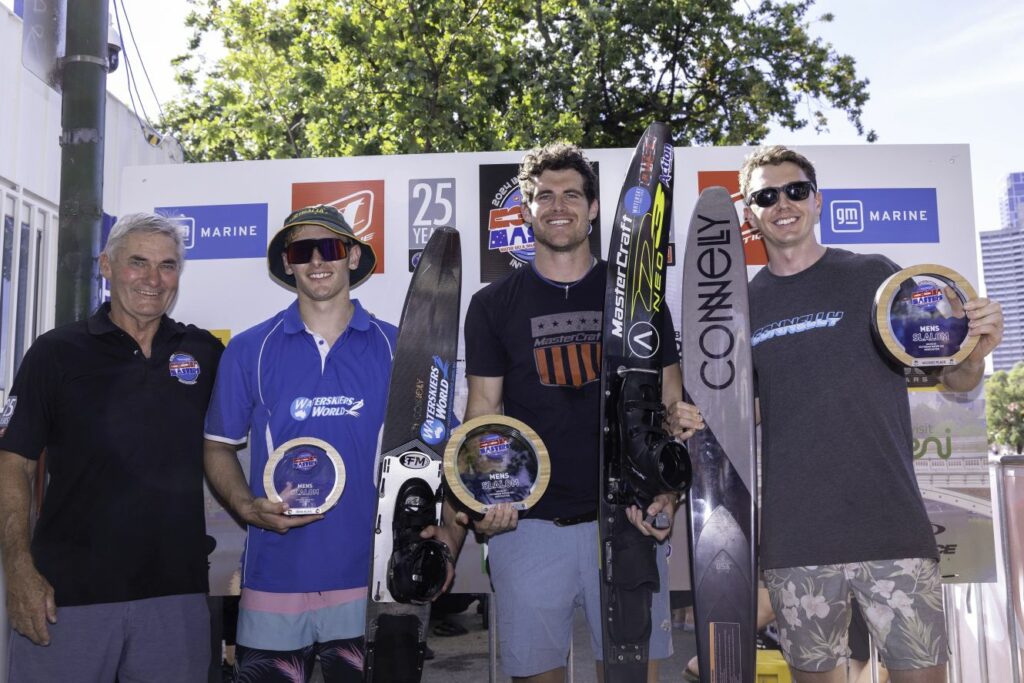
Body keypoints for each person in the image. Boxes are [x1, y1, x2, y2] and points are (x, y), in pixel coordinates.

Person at [429, 143, 702, 683]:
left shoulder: (641, 300)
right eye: (544, 196)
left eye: (572, 195)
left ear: (594, 208)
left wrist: (666, 494)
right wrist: (478, 505)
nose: (559, 206)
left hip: (626, 521)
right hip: (527, 528)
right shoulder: (491, 305)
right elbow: (481, 415)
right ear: (527, 210)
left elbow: (673, 408)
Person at [740, 145, 1003, 683]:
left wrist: (974, 351)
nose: (782, 203)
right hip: (797, 540)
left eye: (794, 191)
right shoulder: (741, 307)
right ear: (750, 213)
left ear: (817, 201)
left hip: (892, 528)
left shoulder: (875, 277)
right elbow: (741, 417)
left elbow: (955, 378)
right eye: (766, 196)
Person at [0, 213, 223, 681]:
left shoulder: (204, 352)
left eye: (167, 266)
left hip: (175, 598)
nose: (152, 279)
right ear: (106, 265)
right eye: (137, 263)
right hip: (66, 596)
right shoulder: (55, 353)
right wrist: (18, 571)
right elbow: (12, 463)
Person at [203, 204, 397, 683]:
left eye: (329, 247)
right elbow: (217, 446)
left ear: (352, 256)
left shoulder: (398, 346)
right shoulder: (250, 348)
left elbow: (430, 456)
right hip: (275, 577)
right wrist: (246, 507)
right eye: (301, 250)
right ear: (287, 263)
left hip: (369, 579)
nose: (316, 261)